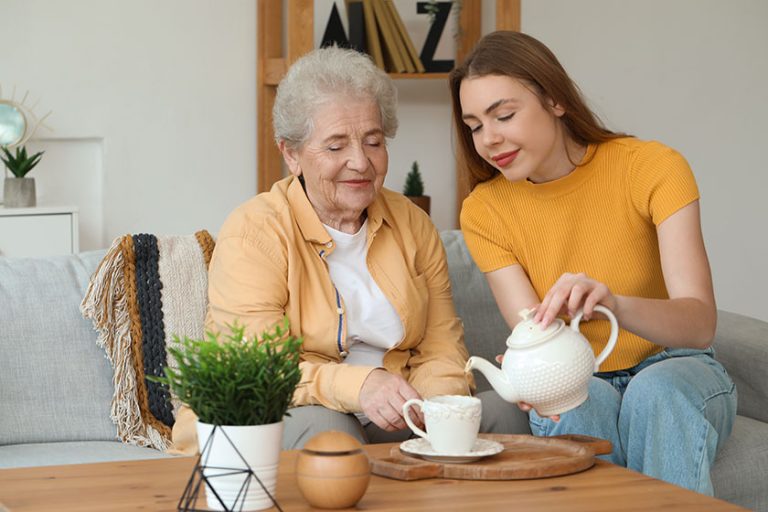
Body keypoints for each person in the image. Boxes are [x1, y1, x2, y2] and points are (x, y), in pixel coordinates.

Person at [171, 46, 526, 452]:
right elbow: (261, 373)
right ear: (292, 154)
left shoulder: (412, 223)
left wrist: (436, 407)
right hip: (284, 414)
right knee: (333, 433)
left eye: (373, 142)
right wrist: (361, 386)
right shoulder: (254, 233)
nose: (360, 162)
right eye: (336, 146)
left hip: (392, 418)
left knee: (503, 413)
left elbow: (442, 346)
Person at [448, 31, 736, 494]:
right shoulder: (485, 210)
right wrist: (529, 368)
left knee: (654, 391)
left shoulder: (653, 167)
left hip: (677, 364)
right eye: (475, 125)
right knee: (580, 406)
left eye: (504, 115)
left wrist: (615, 305)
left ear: (556, 100)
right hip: (581, 377)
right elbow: (532, 331)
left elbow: (699, 323)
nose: (489, 139)